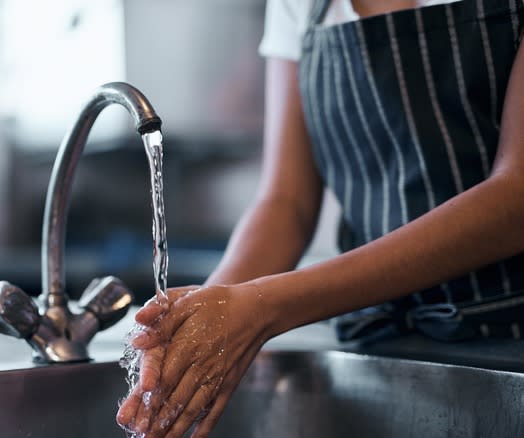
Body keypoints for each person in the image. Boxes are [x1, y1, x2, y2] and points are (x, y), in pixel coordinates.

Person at [117, 0, 524, 437]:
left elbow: (515, 199)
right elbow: (286, 203)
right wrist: (203, 320)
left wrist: (263, 305)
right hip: (379, 344)